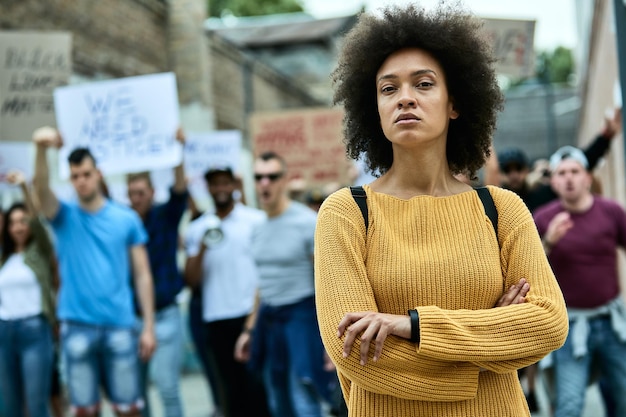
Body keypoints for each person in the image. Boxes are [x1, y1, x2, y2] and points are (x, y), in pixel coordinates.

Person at [314, 4, 569, 416]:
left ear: (455, 102)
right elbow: (354, 351)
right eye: (389, 89)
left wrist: (412, 326)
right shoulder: (346, 212)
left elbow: (549, 323)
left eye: (424, 84)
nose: (405, 98)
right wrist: (489, 345)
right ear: (373, 108)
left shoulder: (502, 209)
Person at [31, 126, 156, 417]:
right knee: (84, 410)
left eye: (86, 174)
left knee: (129, 408)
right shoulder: (63, 217)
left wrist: (148, 327)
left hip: (120, 325)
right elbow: (40, 193)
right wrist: (40, 149)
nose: (81, 181)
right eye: (75, 177)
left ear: (98, 174)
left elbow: (142, 275)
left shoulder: (126, 219)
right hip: (77, 326)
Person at [234, 151, 336, 417]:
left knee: (303, 395)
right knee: (277, 397)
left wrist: (329, 341)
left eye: (271, 176)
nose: (264, 183)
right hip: (269, 317)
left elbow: (326, 281)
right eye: (258, 177)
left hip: (302, 315)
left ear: (284, 180)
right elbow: (262, 284)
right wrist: (249, 330)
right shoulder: (257, 227)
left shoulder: (306, 222)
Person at [533, 146, 626, 417]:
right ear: (553, 182)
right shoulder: (544, 218)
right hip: (570, 325)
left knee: (623, 399)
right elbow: (528, 270)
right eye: (562, 173)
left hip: (611, 322)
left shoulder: (610, 211)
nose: (569, 178)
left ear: (587, 177)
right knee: (569, 405)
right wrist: (549, 241)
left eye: (575, 171)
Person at [184, 166, 269, 417]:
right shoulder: (198, 227)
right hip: (216, 318)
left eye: (224, 183)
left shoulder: (255, 221)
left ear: (233, 186)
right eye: (214, 184)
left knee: (258, 387)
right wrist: (201, 247)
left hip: (249, 315)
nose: (220, 189)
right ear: (208, 189)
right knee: (229, 391)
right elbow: (190, 281)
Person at [127, 128, 188, 417]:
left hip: (166, 315)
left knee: (167, 387)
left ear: (151, 192)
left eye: (140, 193)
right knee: (136, 393)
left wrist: (177, 152)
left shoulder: (165, 216)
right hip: (133, 318)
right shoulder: (123, 224)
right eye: (131, 194)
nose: (136, 198)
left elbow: (179, 191)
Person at [0, 170, 56, 417]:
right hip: (4, 332)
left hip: (34, 330)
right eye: (12, 222)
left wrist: (24, 187)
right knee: (9, 407)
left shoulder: (39, 251)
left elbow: (38, 222)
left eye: (22, 221)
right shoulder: (4, 258)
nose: (18, 227)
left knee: (36, 405)